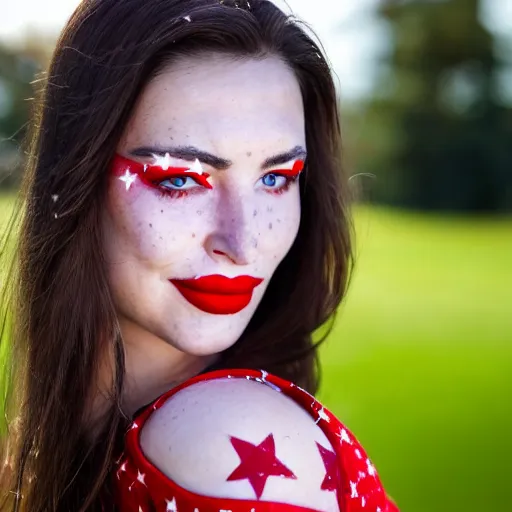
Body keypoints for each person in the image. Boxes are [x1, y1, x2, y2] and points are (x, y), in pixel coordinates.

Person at [0, 0, 397, 510]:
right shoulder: (34, 454)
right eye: (181, 179)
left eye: (276, 178)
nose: (243, 241)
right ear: (78, 180)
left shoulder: (224, 452)